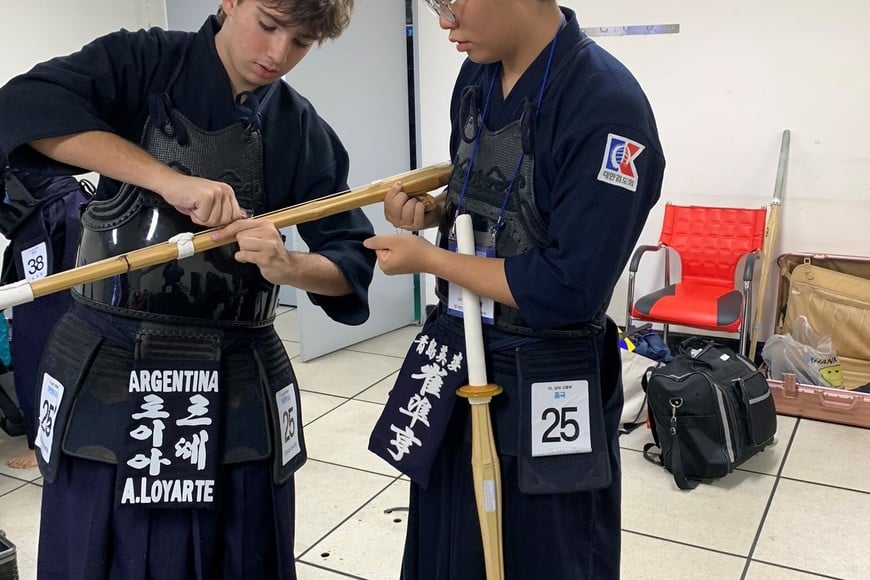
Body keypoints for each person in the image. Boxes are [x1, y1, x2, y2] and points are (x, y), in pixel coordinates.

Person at [0, 1, 373, 578]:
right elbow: (24, 110)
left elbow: (350, 258)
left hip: (237, 371)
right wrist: (166, 180)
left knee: (240, 546)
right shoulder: (143, 61)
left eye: (300, 42)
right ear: (231, 2)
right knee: (102, 544)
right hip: (111, 360)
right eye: (269, 26)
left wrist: (290, 266)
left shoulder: (300, 128)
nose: (278, 55)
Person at [365, 1, 665, 578]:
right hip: (458, 352)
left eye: (453, 2)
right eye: (435, 4)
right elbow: (487, 200)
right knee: (452, 542)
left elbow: (568, 288)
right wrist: (433, 213)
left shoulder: (608, 109)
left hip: (549, 371)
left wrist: (433, 259)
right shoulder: (478, 75)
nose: (444, 22)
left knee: (540, 552)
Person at [0, 172, 88, 470]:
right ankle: (54, 433)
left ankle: (43, 437)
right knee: (60, 325)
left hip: (49, 218)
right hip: (55, 214)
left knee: (41, 334)